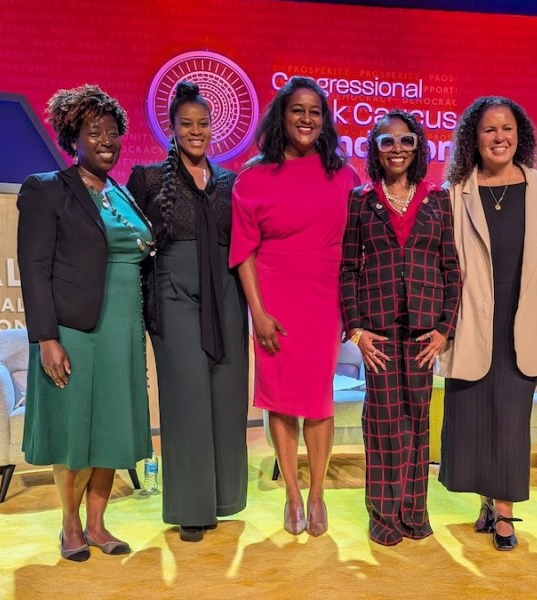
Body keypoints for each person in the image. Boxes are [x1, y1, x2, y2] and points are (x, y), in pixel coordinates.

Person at [17, 84, 154, 561]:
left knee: (112, 429)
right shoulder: (47, 189)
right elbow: (33, 269)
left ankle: (98, 524)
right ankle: (70, 524)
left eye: (113, 133)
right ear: (72, 137)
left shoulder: (122, 192)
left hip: (122, 328)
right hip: (74, 329)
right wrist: (47, 338)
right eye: (94, 132)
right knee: (74, 430)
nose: (106, 141)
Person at [229, 76, 359, 536]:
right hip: (274, 301)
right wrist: (257, 313)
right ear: (281, 117)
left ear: (324, 122)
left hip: (325, 302)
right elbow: (243, 249)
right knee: (281, 402)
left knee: (319, 401)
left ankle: (318, 493)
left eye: (315, 112)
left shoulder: (344, 175)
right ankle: (291, 495)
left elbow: (357, 245)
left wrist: (353, 308)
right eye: (297, 110)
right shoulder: (252, 177)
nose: (306, 119)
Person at [127, 81, 249, 542]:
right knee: (186, 399)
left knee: (225, 394)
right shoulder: (148, 180)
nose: (195, 132)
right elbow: (132, 244)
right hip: (173, 292)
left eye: (203, 124)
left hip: (226, 293)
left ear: (212, 128)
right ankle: (190, 510)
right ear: (171, 128)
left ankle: (222, 499)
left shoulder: (230, 182)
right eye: (186, 124)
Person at [437, 96, 537, 551]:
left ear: (519, 135)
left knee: (509, 422)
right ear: (474, 137)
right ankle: (487, 501)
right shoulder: (454, 191)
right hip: (471, 324)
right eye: (489, 130)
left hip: (521, 324)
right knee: (473, 422)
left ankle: (505, 514)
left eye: (507, 129)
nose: (499, 137)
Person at [340, 110, 461, 546]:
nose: (397, 149)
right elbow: (349, 269)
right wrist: (355, 329)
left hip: (425, 332)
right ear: (373, 147)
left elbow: (451, 269)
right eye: (387, 141)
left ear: (418, 147)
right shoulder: (359, 200)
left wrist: (445, 329)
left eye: (405, 141)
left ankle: (414, 513)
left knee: (417, 423)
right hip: (378, 334)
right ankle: (383, 514)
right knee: (383, 424)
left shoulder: (438, 200)